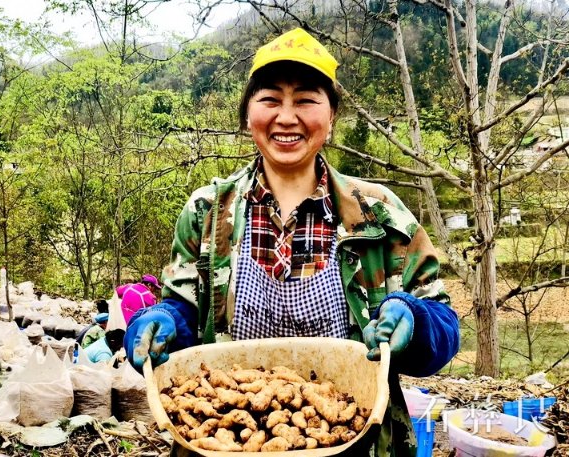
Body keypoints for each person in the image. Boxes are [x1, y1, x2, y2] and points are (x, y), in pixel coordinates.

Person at [124, 28, 459, 456]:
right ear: (248, 115)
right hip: (232, 443)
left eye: (305, 99)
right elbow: (186, 307)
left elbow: (444, 327)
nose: (286, 117)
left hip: (351, 439)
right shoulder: (208, 212)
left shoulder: (379, 215)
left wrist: (415, 320)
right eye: (269, 99)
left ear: (331, 115)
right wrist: (163, 321)